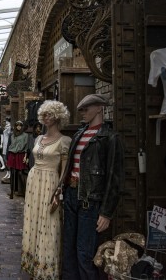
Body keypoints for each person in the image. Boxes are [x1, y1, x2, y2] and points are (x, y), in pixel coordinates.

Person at [61, 93, 124, 279]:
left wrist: (106, 212)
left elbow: (115, 177)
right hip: (72, 195)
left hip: (90, 201)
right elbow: (70, 167)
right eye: (81, 109)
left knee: (85, 252)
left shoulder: (110, 137)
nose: (82, 112)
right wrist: (61, 191)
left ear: (99, 108)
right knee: (68, 248)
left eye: (86, 109)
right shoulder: (79, 134)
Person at [21, 100, 71, 279]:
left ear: (58, 116)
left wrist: (59, 190)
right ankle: (34, 263)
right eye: (44, 114)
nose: (46, 117)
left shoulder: (65, 141)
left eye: (50, 114)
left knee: (49, 222)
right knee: (33, 220)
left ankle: (47, 267)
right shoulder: (38, 138)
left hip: (50, 181)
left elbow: (64, 169)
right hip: (34, 181)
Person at [6, 120, 28, 199]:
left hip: (20, 155)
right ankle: (12, 191)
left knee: (20, 173)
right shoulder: (12, 135)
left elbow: (26, 147)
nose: (18, 127)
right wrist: (7, 156)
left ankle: (24, 191)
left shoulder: (25, 135)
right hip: (12, 154)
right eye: (17, 125)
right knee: (12, 173)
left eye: (20, 125)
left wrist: (25, 157)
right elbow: (9, 145)